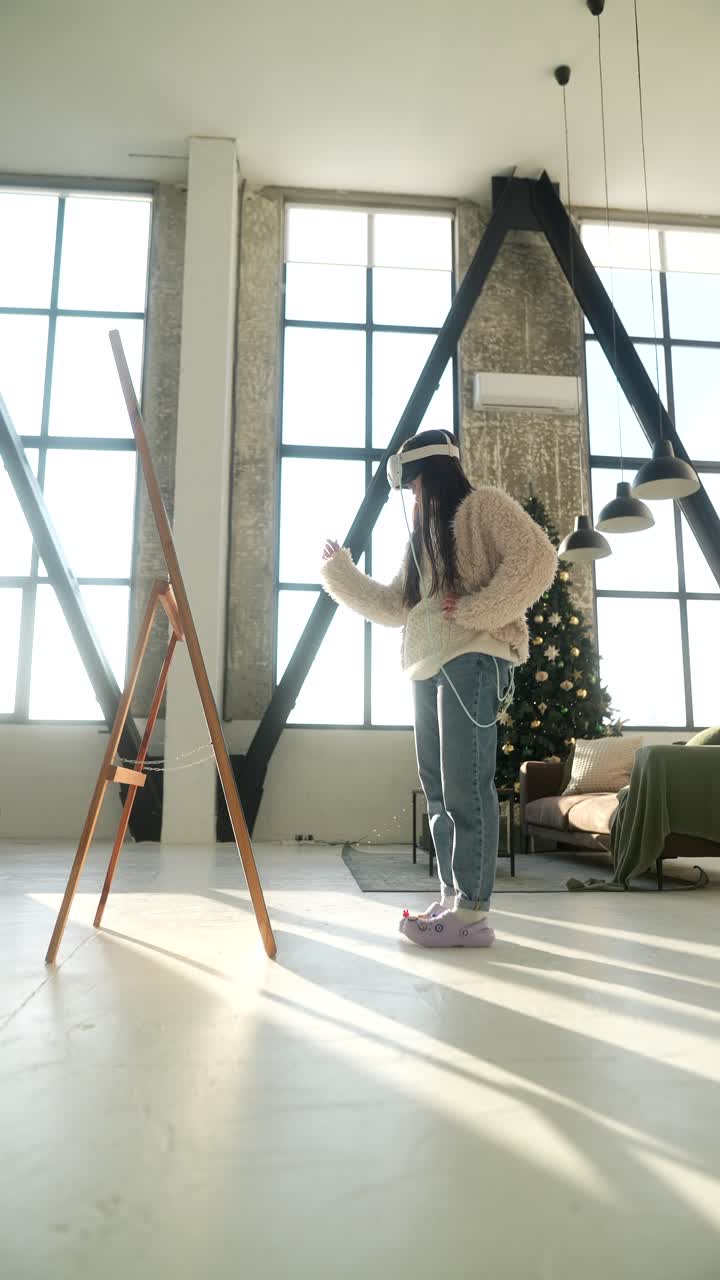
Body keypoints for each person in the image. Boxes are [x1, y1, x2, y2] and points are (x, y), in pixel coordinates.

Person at [321, 428, 557, 948]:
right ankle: (454, 899)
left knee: (465, 785)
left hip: (472, 657)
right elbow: (396, 606)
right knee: (439, 791)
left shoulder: (482, 507)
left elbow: (537, 559)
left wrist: (477, 609)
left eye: (412, 484)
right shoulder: (423, 540)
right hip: (425, 667)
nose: (411, 494)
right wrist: (340, 573)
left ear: (430, 475)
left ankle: (472, 913)